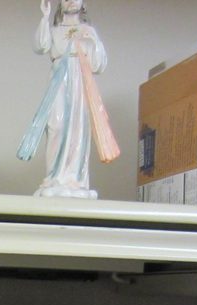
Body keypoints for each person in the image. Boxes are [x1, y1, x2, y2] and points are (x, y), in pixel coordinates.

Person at [18, 0, 116, 199]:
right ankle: (55, 177)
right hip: (59, 82)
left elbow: (99, 64)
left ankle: (75, 180)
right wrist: (44, 18)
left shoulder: (88, 30)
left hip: (81, 82)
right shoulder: (55, 30)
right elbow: (40, 45)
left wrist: (93, 43)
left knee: (78, 129)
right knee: (56, 125)